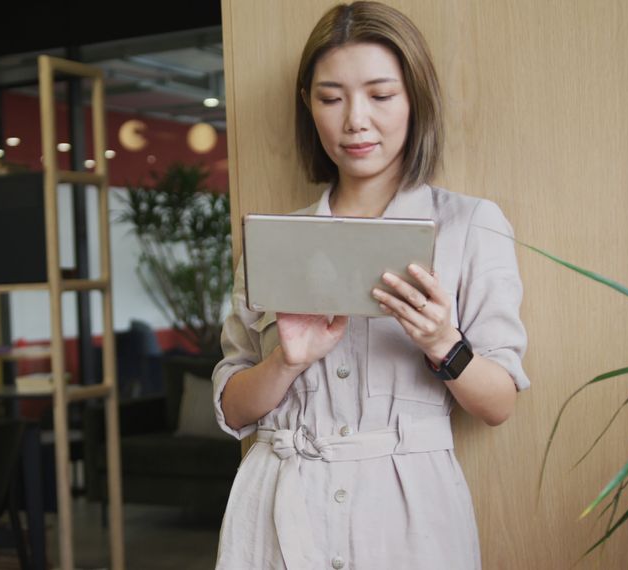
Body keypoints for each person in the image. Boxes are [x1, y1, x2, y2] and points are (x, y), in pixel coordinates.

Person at [212, 2, 529, 568]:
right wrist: (286, 361)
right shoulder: (272, 242)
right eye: (330, 98)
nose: (355, 119)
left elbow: (499, 404)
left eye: (380, 95)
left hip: (408, 520)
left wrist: (442, 343)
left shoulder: (469, 226)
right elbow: (235, 410)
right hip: (281, 513)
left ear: (415, 99)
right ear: (309, 107)